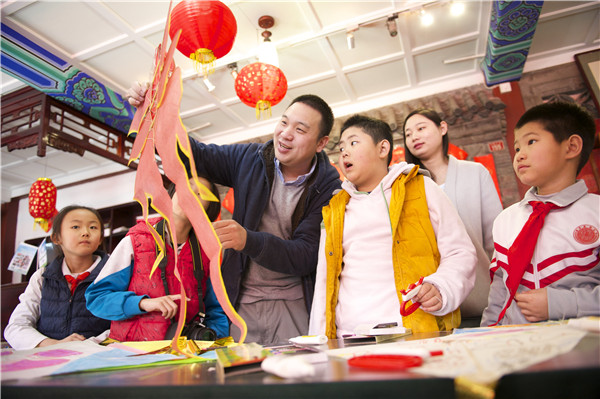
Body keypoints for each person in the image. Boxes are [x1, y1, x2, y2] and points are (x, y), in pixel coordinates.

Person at [127, 86, 341, 344]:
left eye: (300, 129)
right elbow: (194, 156)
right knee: (242, 378)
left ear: (321, 143)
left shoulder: (328, 187)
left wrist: (248, 241)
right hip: (241, 300)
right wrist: (154, 114)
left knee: (296, 376)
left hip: (294, 301)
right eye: (284, 122)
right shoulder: (251, 159)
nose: (286, 134)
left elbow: (307, 254)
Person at [308, 115, 477, 338]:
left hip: (414, 333)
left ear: (383, 148)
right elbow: (324, 283)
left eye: (353, 142)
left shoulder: (420, 188)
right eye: (340, 148)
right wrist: (319, 341)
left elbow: (460, 252)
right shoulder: (334, 210)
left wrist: (441, 286)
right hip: (350, 339)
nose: (344, 152)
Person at [481, 102, 599, 326]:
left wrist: (561, 303)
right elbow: (499, 292)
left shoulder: (596, 213)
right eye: (516, 148)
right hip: (515, 345)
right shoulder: (505, 220)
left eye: (531, 142)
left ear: (571, 147)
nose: (519, 155)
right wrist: (486, 334)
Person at [85, 177, 229, 341]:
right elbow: (97, 298)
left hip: (184, 354)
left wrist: (212, 340)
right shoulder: (136, 241)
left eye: (200, 194)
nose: (190, 196)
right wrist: (143, 304)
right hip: (131, 353)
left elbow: (216, 311)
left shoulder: (206, 253)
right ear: (171, 194)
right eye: (186, 188)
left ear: (209, 208)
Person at [403, 109, 503, 325]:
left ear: (442, 128)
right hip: (426, 303)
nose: (414, 137)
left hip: (478, 295)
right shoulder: (405, 187)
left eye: (421, 128)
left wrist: (503, 289)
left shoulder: (475, 173)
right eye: (408, 134)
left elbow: (496, 239)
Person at [4, 206, 111, 350]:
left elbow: (126, 324)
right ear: (56, 237)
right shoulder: (42, 277)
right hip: (47, 357)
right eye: (75, 226)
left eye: (93, 227)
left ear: (100, 239)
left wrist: (85, 345)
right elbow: (16, 327)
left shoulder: (114, 273)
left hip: (99, 356)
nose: (85, 233)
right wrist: (52, 344)